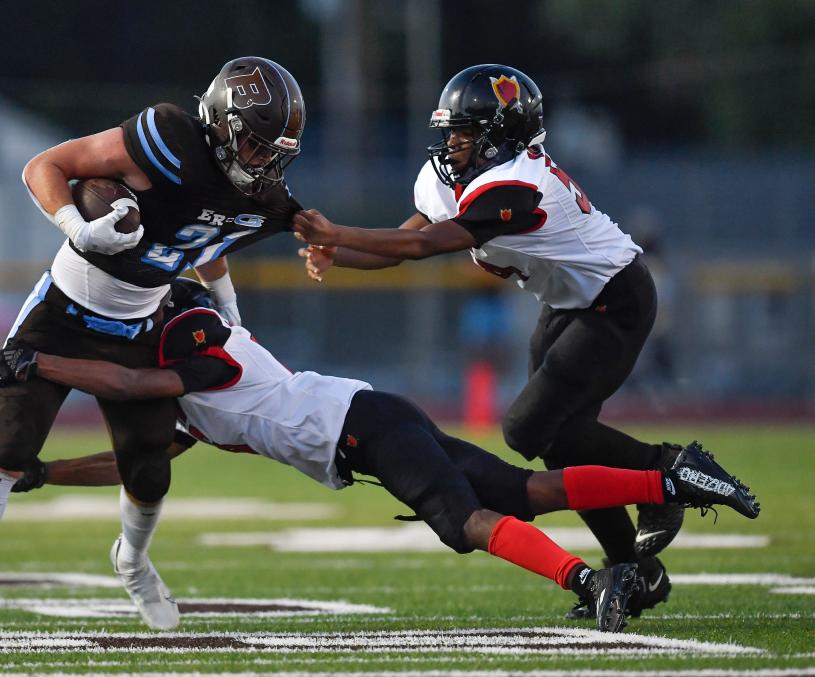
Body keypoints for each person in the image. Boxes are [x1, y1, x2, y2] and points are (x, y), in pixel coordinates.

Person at [0, 279, 759, 634]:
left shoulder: (197, 347)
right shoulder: (195, 394)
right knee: (524, 489)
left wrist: (42, 364)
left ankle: (589, 580)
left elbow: (131, 377)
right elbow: (140, 458)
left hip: (362, 427)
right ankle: (669, 472)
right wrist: (49, 472)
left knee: (464, 521)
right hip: (371, 418)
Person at [292, 64, 714, 618]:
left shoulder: (519, 182)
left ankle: (667, 473)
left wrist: (337, 231)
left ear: (500, 136)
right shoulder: (456, 178)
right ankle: (636, 570)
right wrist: (338, 254)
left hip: (616, 299)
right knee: (556, 440)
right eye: (450, 133)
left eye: (465, 134)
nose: (452, 145)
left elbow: (428, 247)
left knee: (524, 427)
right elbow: (402, 242)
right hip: (568, 304)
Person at [0, 56, 307, 635]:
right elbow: (44, 165)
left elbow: (202, 231)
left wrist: (224, 295)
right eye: (255, 145)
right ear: (220, 124)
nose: (265, 162)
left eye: (275, 151)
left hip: (139, 328)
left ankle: (133, 561)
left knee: (149, 469)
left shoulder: (253, 192)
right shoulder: (170, 137)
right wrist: (77, 226)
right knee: (12, 445)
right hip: (64, 314)